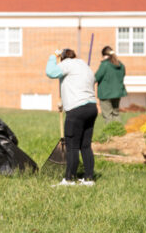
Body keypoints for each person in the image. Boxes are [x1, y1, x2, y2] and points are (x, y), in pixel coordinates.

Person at [46, 48, 97, 186]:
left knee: (72, 146)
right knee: (85, 145)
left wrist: (53, 56)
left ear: (62, 59)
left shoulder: (67, 63)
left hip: (77, 109)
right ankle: (89, 178)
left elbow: (50, 72)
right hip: (91, 107)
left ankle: (69, 179)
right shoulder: (85, 66)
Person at [93, 46, 127, 122]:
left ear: (103, 55)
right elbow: (123, 75)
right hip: (117, 93)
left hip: (106, 94)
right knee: (116, 113)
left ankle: (110, 133)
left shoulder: (105, 65)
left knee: (107, 115)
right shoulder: (120, 65)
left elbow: (96, 77)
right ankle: (119, 132)